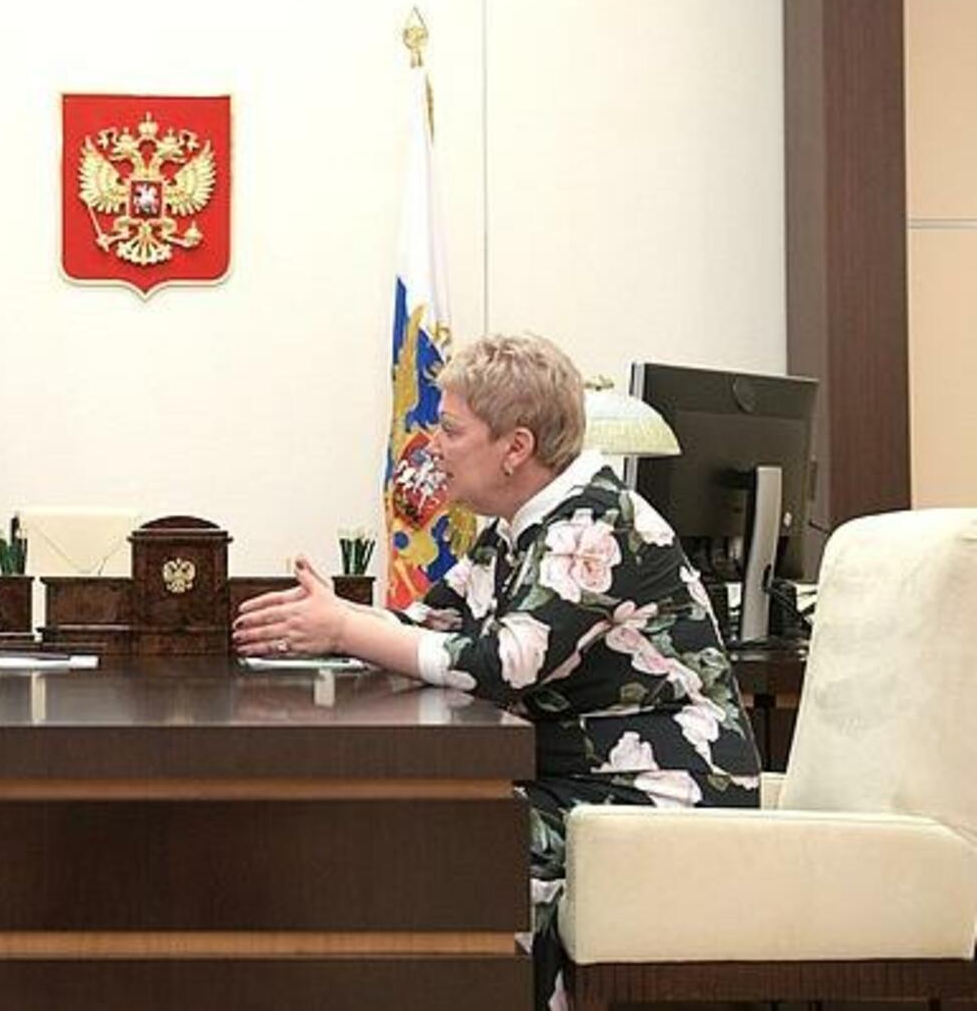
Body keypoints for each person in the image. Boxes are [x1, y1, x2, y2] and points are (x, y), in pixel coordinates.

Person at [233, 332, 761, 1010]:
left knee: (450, 847)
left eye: (451, 429)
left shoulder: (592, 523)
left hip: (656, 795)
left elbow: (503, 664)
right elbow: (432, 623)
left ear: (515, 447)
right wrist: (335, 617)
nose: (432, 445)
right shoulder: (520, 525)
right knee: (400, 827)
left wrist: (345, 629)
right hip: (572, 779)